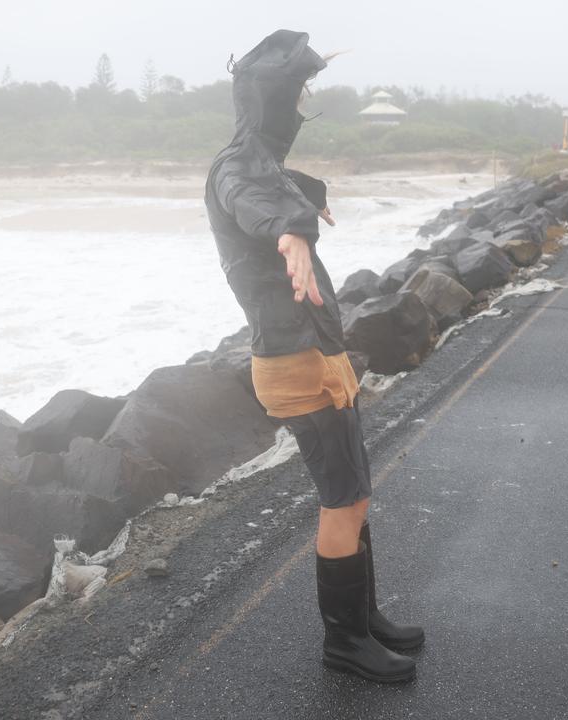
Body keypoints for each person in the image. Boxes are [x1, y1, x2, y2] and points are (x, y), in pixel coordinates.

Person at [205, 30, 421, 682]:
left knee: (355, 492)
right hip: (294, 358)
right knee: (342, 497)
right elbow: (251, 200)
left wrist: (310, 196)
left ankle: (367, 618)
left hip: (317, 349)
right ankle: (345, 643)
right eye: (294, 96)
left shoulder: (258, 161)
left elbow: (278, 179)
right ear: (268, 101)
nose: (300, 108)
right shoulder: (236, 168)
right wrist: (293, 233)